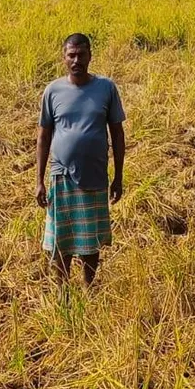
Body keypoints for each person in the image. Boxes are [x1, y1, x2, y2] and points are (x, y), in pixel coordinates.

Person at [35, 33, 126, 289]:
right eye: (71, 55)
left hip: (95, 174)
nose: (76, 60)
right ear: (64, 58)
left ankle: (89, 286)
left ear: (90, 56)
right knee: (60, 241)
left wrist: (118, 177)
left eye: (81, 54)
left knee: (91, 240)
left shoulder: (106, 88)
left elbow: (117, 134)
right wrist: (39, 181)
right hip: (61, 175)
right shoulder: (52, 91)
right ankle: (62, 291)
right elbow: (43, 136)